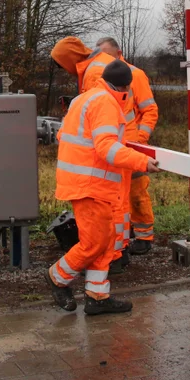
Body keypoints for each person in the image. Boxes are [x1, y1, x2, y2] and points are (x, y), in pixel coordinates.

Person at [47, 60, 160, 315]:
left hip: (86, 182)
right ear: (126, 88)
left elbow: (62, 135)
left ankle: (97, 296)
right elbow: (106, 147)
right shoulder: (107, 103)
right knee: (95, 243)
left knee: (105, 240)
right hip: (91, 185)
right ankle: (57, 277)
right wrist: (142, 161)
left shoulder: (84, 98)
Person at [50, 36, 132, 266]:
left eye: (61, 63)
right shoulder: (97, 66)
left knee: (111, 203)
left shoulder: (95, 72)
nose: (62, 69)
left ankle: (113, 255)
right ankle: (113, 254)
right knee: (116, 201)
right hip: (115, 141)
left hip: (109, 146)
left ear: (70, 59)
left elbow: (98, 111)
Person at [96, 37, 159, 255]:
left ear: (118, 52)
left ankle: (144, 236)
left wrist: (140, 139)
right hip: (112, 145)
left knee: (136, 192)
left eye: (106, 54)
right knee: (116, 194)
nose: (103, 59)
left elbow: (149, 110)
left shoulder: (135, 75)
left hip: (131, 145)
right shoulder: (102, 79)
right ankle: (125, 234)